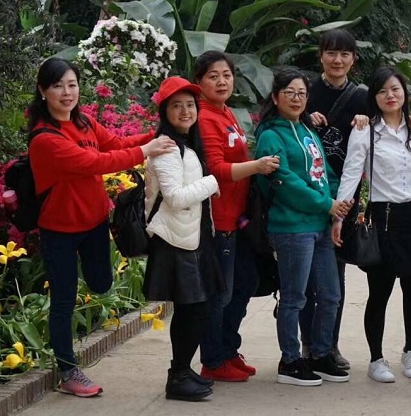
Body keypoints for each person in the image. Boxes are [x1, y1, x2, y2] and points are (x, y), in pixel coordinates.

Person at [27, 58, 176, 397]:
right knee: (63, 301)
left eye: (72, 84)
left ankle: (79, 290)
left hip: (93, 223)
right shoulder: (44, 139)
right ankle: (68, 370)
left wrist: (157, 135)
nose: (67, 92)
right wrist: (145, 150)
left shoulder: (84, 123)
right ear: (43, 91)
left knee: (102, 283)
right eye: (58, 86)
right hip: (59, 231)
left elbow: (115, 144)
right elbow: (96, 163)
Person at [332, 67, 411, 384]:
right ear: (374, 97)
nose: (390, 96)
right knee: (379, 292)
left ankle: (410, 350)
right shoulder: (366, 130)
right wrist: (339, 216)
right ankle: (376, 358)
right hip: (382, 218)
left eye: (395, 89)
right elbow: (351, 174)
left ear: (405, 93)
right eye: (382, 91)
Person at [255, 69, 352, 387]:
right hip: (291, 228)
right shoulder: (270, 135)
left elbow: (325, 173)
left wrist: (338, 203)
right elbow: (285, 182)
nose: (296, 99)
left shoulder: (308, 131)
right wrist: (326, 204)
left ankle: (320, 354)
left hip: (320, 225)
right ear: (275, 97)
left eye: (302, 94)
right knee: (294, 297)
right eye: (290, 93)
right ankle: (290, 360)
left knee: (330, 295)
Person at [194, 51, 280, 382]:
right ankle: (213, 361)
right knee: (221, 294)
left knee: (246, 283)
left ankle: (228, 349)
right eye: (213, 76)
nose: (221, 81)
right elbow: (216, 169)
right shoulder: (205, 117)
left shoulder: (225, 112)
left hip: (238, 220)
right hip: (220, 222)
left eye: (226, 75)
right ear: (199, 81)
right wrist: (256, 166)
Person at [143, 76, 223, 401]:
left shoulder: (186, 144)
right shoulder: (167, 147)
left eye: (190, 105)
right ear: (165, 111)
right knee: (194, 309)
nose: (186, 111)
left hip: (191, 238)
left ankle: (181, 370)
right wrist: (212, 182)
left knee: (194, 310)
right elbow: (175, 197)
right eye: (177, 106)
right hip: (175, 241)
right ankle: (177, 375)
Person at [301, 29, 368, 370]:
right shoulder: (305, 92)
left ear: (353, 59)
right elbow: (282, 121)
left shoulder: (363, 98)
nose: (337, 60)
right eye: (331, 53)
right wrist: (304, 117)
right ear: (321, 56)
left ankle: (329, 345)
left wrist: (367, 120)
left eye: (344, 54)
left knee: (334, 276)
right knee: (305, 279)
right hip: (308, 194)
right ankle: (307, 345)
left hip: (344, 197)